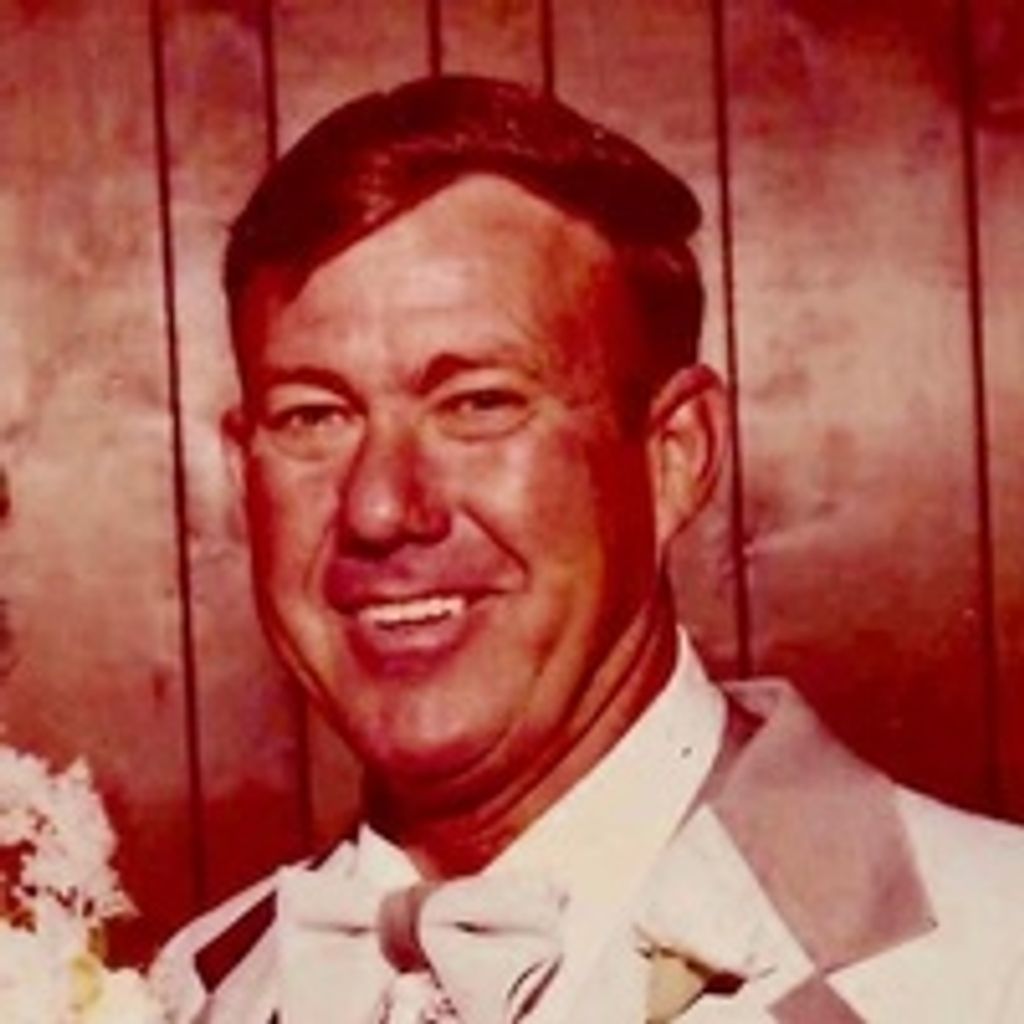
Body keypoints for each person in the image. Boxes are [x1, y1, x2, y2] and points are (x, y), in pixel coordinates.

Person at [154, 75, 1024, 1023]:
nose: (380, 507)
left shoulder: (992, 956)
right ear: (241, 470)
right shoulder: (187, 992)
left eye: (478, 403)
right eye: (312, 416)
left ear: (674, 455)